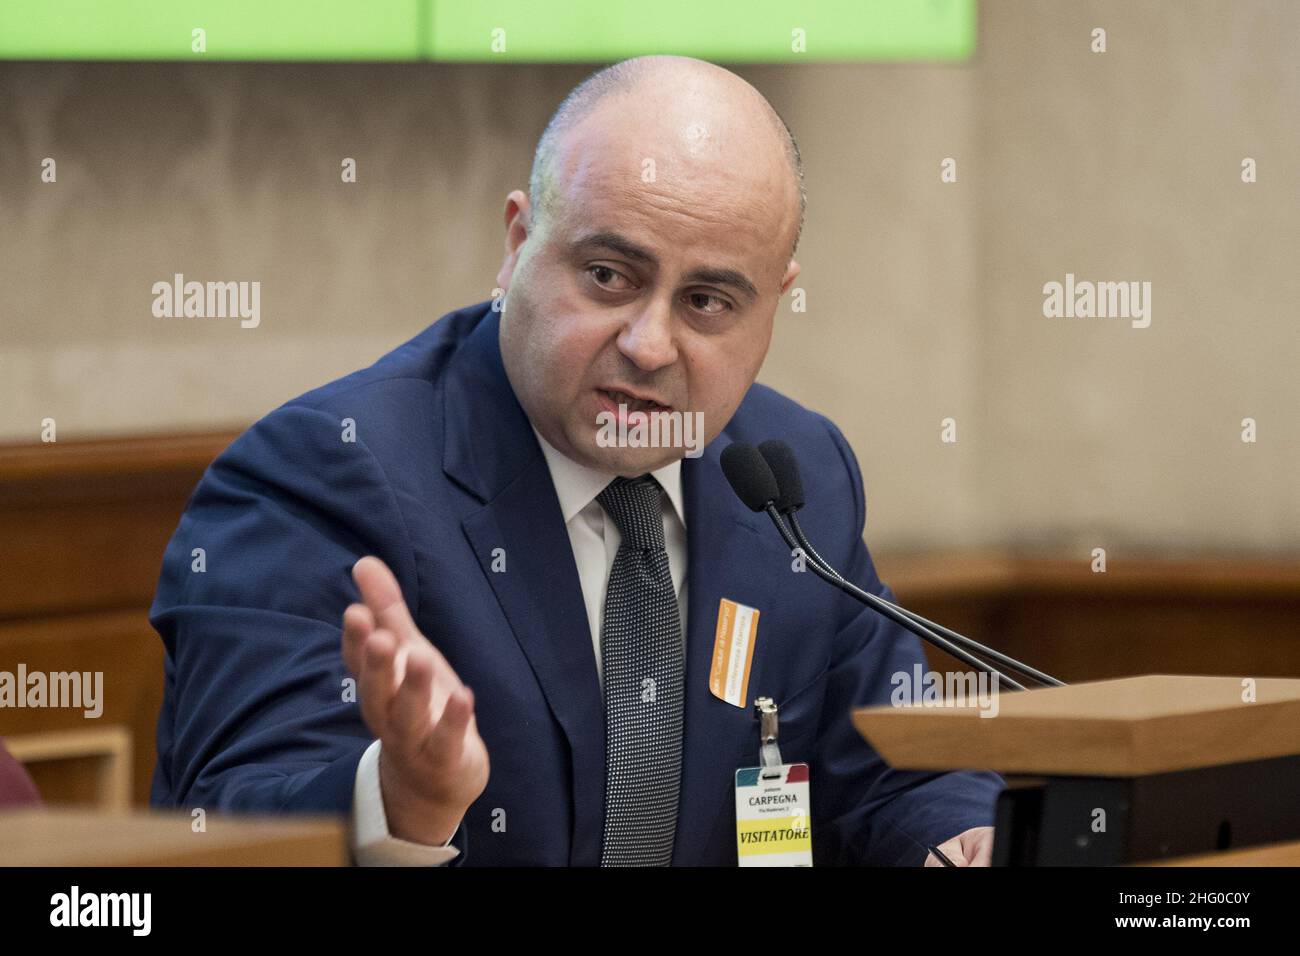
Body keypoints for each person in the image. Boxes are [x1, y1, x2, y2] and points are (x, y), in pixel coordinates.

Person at [149, 54, 1002, 866]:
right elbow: (224, 825)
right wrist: (399, 799)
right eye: (607, 276)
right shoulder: (321, 475)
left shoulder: (791, 480)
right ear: (518, 242)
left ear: (775, 301)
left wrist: (958, 839)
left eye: (707, 302)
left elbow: (897, 763)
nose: (649, 343)